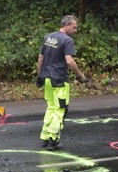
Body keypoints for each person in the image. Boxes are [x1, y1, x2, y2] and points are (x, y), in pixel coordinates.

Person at [36, 15, 87, 149]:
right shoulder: (67, 40)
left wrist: (39, 75)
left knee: (51, 107)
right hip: (59, 80)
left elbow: (41, 57)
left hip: (47, 78)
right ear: (66, 25)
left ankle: (45, 137)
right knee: (60, 109)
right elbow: (69, 61)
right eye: (74, 27)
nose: (75, 30)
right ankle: (53, 140)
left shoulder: (49, 37)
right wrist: (79, 75)